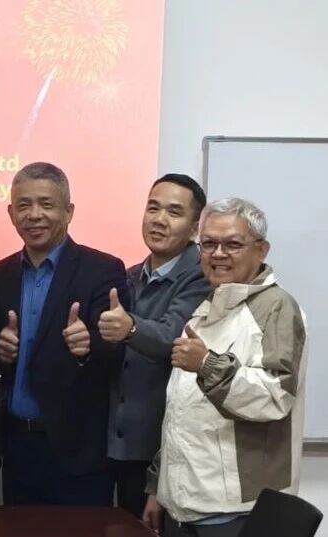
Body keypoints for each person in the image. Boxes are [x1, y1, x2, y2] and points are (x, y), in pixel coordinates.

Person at [142, 198, 306, 537]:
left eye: (232, 244)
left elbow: (274, 397)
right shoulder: (206, 308)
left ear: (261, 250)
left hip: (234, 511)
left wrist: (207, 364)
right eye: (208, 244)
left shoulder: (277, 307)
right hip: (183, 504)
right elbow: (181, 410)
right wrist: (159, 486)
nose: (218, 254)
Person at [0, 162, 129, 506]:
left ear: (68, 211)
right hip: (17, 446)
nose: (34, 215)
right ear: (11, 213)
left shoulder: (103, 269)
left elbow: (117, 354)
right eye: (24, 205)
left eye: (46, 204)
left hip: (78, 452)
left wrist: (88, 346)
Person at [98, 174, 211, 517]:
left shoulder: (204, 276)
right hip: (113, 442)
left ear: (194, 229)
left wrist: (130, 328)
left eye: (174, 212)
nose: (159, 220)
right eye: (153, 208)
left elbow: (173, 338)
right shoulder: (129, 275)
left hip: (159, 448)